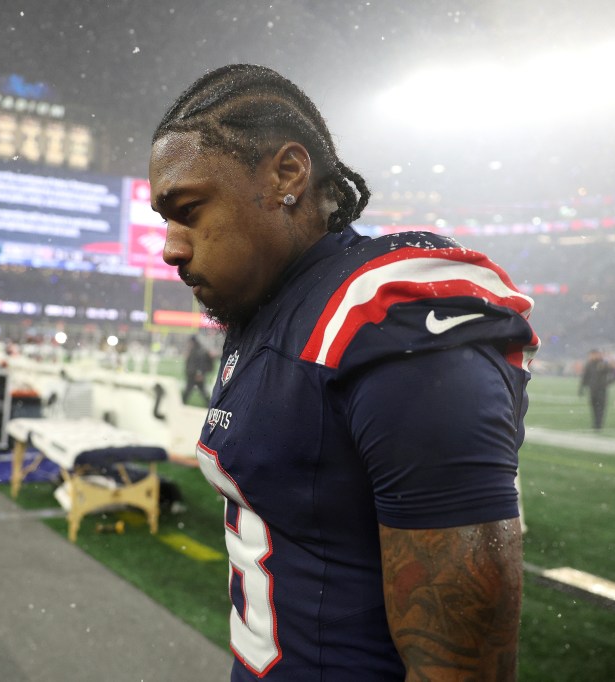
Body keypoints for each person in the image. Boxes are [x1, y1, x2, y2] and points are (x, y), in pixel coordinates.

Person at [148, 64, 539, 680]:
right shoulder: (263, 305)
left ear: (288, 174)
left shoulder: (388, 315)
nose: (170, 246)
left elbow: (464, 670)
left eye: (189, 209)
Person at [579, 349, 615, 430]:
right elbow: (585, 377)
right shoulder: (589, 364)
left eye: (593, 354)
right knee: (593, 407)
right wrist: (581, 388)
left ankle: (599, 424)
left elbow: (614, 374)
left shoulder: (603, 364)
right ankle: (595, 423)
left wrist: (607, 383)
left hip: (601, 390)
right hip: (592, 390)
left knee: (600, 407)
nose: (592, 356)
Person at [182, 336, 214, 403]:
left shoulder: (198, 350)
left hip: (195, 375)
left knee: (191, 390)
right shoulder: (194, 349)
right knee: (200, 390)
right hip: (193, 374)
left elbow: (200, 363)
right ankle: (209, 403)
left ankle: (182, 403)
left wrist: (199, 373)